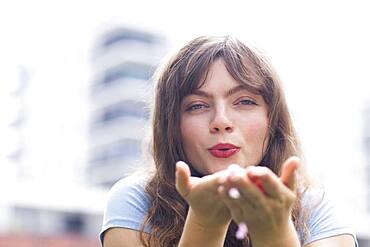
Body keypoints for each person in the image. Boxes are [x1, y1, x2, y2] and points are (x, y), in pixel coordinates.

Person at [100, 35, 358, 247]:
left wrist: (274, 229)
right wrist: (204, 221)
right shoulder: (137, 200)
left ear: (273, 117)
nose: (221, 121)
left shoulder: (318, 210)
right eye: (197, 105)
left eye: (244, 101)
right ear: (172, 126)